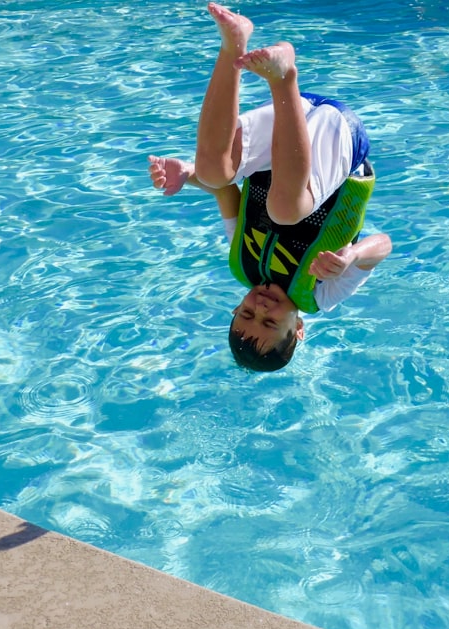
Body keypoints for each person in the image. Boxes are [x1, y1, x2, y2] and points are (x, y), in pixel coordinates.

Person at [148, 3, 392, 371]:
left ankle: (233, 45)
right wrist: (353, 257)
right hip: (339, 137)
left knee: (215, 172)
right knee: (285, 210)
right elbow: (384, 245)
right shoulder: (323, 295)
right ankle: (283, 75)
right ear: (299, 329)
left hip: (292, 117)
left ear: (235, 307)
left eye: (246, 312)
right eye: (270, 322)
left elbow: (224, 192)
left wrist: (187, 174)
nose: (259, 307)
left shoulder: (242, 265)